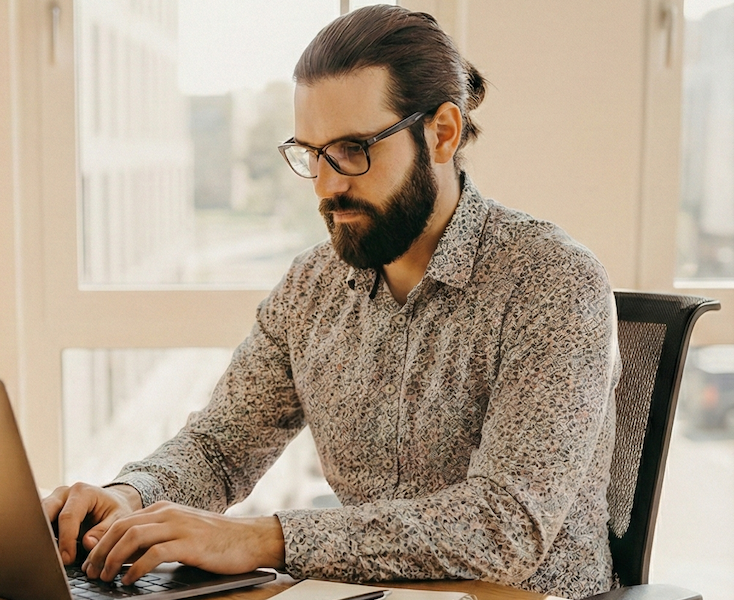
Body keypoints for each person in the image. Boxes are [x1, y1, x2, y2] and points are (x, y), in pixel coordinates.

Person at [44, 6, 619, 599]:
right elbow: (220, 447)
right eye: (311, 152)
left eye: (352, 149)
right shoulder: (311, 286)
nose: (325, 184)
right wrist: (126, 497)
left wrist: (262, 539)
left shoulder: (551, 280)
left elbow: (505, 528)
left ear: (443, 133)